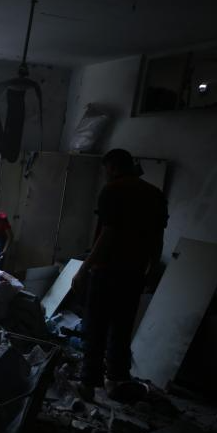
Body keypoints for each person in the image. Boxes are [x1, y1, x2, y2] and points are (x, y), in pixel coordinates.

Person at [73, 148, 167, 402]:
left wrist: (84, 268)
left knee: (96, 327)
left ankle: (88, 383)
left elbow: (108, 234)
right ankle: (115, 380)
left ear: (113, 167)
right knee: (122, 328)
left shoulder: (113, 190)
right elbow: (158, 238)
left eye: (106, 169)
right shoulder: (155, 194)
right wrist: (151, 270)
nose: (105, 174)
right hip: (135, 272)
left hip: (107, 271)